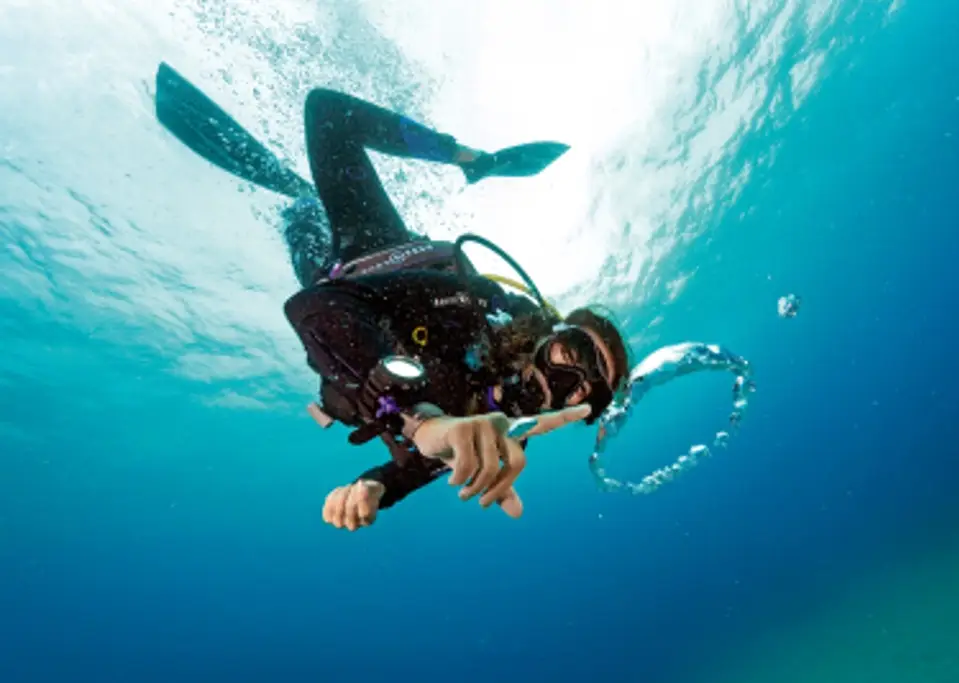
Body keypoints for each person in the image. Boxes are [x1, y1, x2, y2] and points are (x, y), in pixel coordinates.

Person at [154, 63, 632, 530]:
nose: (567, 381)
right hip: (380, 247)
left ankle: (300, 197)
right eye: (576, 353)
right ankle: (472, 160)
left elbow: (411, 469)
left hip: (330, 270)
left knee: (301, 212)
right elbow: (321, 308)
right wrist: (424, 425)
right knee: (327, 115)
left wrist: (371, 488)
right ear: (552, 331)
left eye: (586, 393)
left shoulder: (495, 442)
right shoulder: (484, 309)